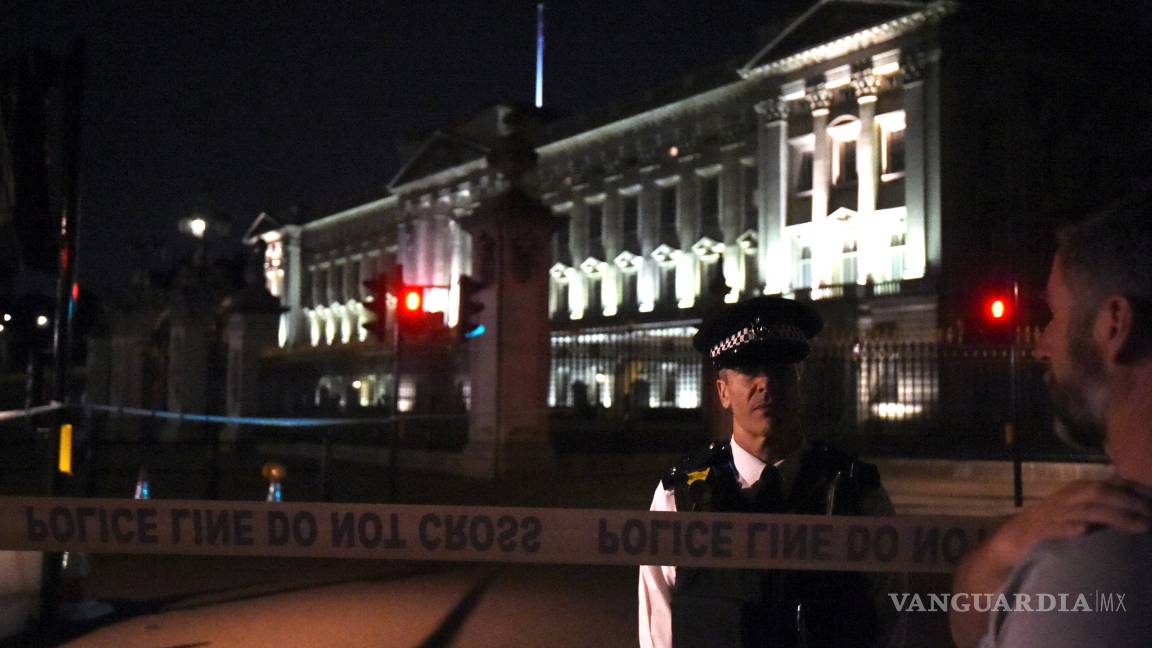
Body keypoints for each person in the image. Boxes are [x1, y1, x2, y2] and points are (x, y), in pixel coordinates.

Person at [949, 195, 1152, 647]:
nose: (1041, 345)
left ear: (1114, 325)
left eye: (1055, 315)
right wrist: (1008, 545)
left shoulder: (1094, 572)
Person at [639, 296, 896, 648]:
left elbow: (890, 620)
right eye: (748, 369)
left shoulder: (855, 491)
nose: (766, 382)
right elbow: (659, 630)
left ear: (798, 382)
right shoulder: (679, 496)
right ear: (723, 392)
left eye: (779, 369)